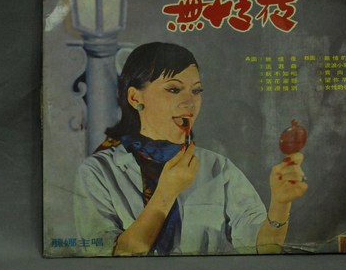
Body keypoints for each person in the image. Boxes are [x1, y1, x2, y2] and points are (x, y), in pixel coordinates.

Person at [74, 42, 308, 256]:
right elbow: (113, 256)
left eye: (196, 91)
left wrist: (280, 204)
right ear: (135, 98)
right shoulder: (98, 172)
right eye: (174, 89)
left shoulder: (217, 167)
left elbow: (262, 248)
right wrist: (166, 192)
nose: (190, 102)